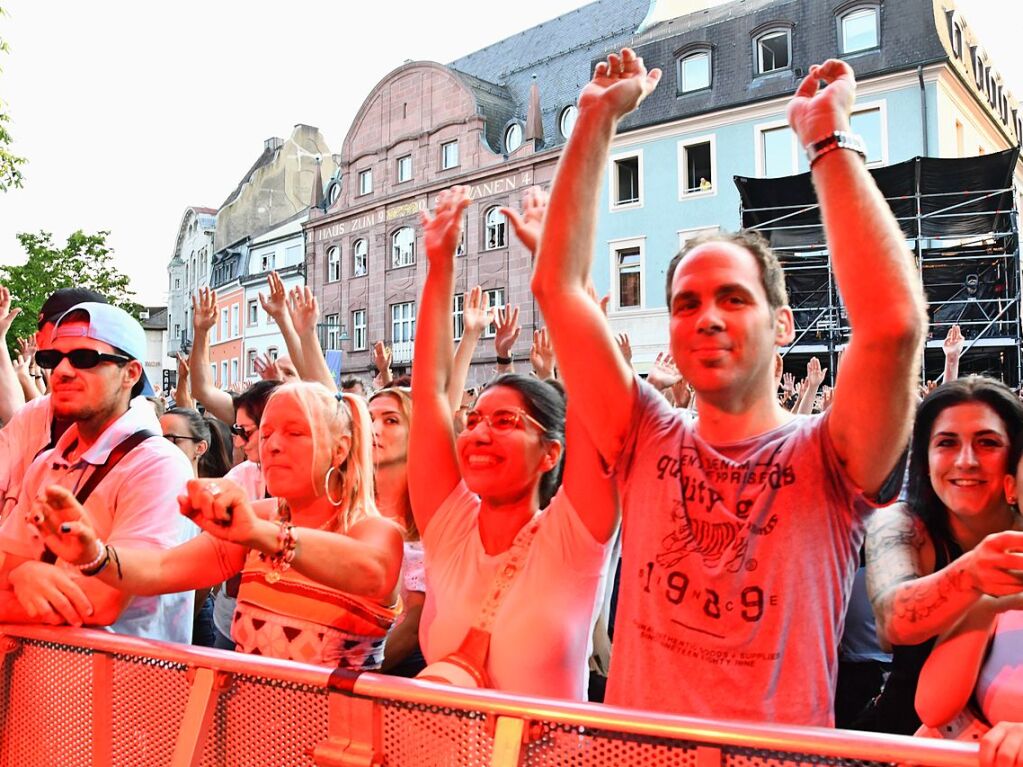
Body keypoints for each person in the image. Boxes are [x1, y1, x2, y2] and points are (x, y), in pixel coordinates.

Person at [529, 50, 926, 724]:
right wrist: (594, 118)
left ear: (782, 325)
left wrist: (827, 141)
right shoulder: (644, 432)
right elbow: (558, 288)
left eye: (731, 298)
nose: (705, 316)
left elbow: (890, 326)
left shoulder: (826, 458)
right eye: (685, 304)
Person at [409, 186, 617, 700]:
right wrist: (439, 269)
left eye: (505, 422)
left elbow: (598, 397)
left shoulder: (574, 538)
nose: (479, 431)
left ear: (552, 452)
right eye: (475, 419)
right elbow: (431, 392)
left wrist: (561, 269)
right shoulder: (450, 529)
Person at [37, 382, 405, 670]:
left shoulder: (374, 531)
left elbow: (370, 571)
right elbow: (161, 569)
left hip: (334, 748)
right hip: (244, 739)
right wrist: (94, 555)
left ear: (339, 451)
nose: (271, 445)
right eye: (267, 432)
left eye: (294, 433)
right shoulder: (256, 519)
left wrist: (263, 535)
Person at [0, 302, 196, 643]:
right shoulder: (47, 462)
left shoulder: (157, 466)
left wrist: (19, 579)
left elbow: (98, 603)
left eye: (85, 358)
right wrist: (22, 574)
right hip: (37, 682)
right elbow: (7, 569)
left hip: (124, 688)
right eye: (51, 358)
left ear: (131, 373)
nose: (61, 371)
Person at [865, 377, 1023, 734]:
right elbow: (893, 624)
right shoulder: (902, 523)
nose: (966, 461)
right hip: (906, 741)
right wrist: (973, 576)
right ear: (924, 460)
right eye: (947, 443)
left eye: (987, 443)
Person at [0, 288, 108, 520]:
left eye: (80, 356)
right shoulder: (35, 414)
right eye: (51, 358)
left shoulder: (145, 452)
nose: (64, 369)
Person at [368, 386, 425, 676]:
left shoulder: (432, 515)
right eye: (369, 419)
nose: (374, 428)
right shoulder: (345, 501)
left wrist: (360, 672)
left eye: (391, 420)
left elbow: (415, 622)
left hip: (400, 671)